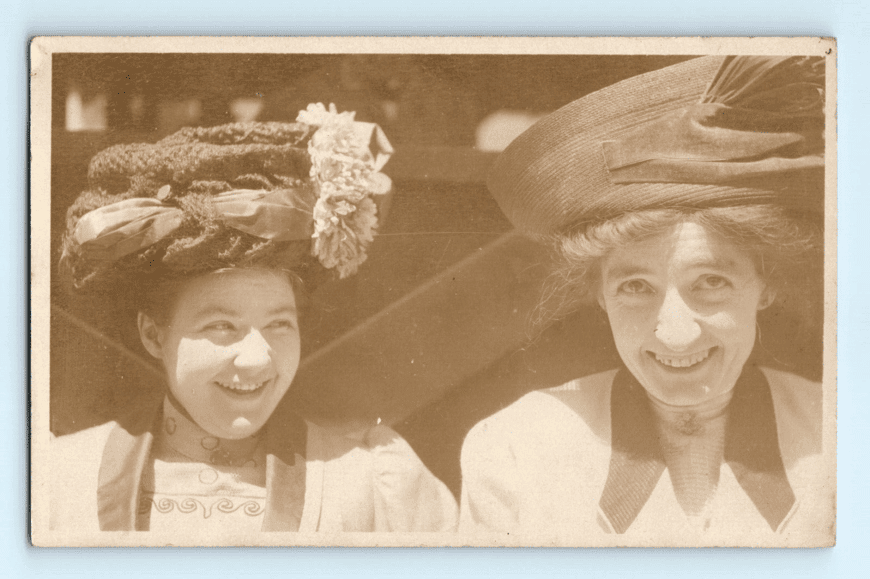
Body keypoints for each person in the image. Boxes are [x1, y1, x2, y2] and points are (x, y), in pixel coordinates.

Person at [459, 56, 830, 544]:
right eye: (636, 287)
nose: (675, 332)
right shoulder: (517, 447)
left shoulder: (841, 441)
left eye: (711, 281)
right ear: (599, 293)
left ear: (767, 282)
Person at [51, 104, 458, 534]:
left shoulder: (369, 483)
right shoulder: (61, 482)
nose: (257, 359)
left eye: (279, 324)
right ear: (153, 333)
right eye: (221, 326)